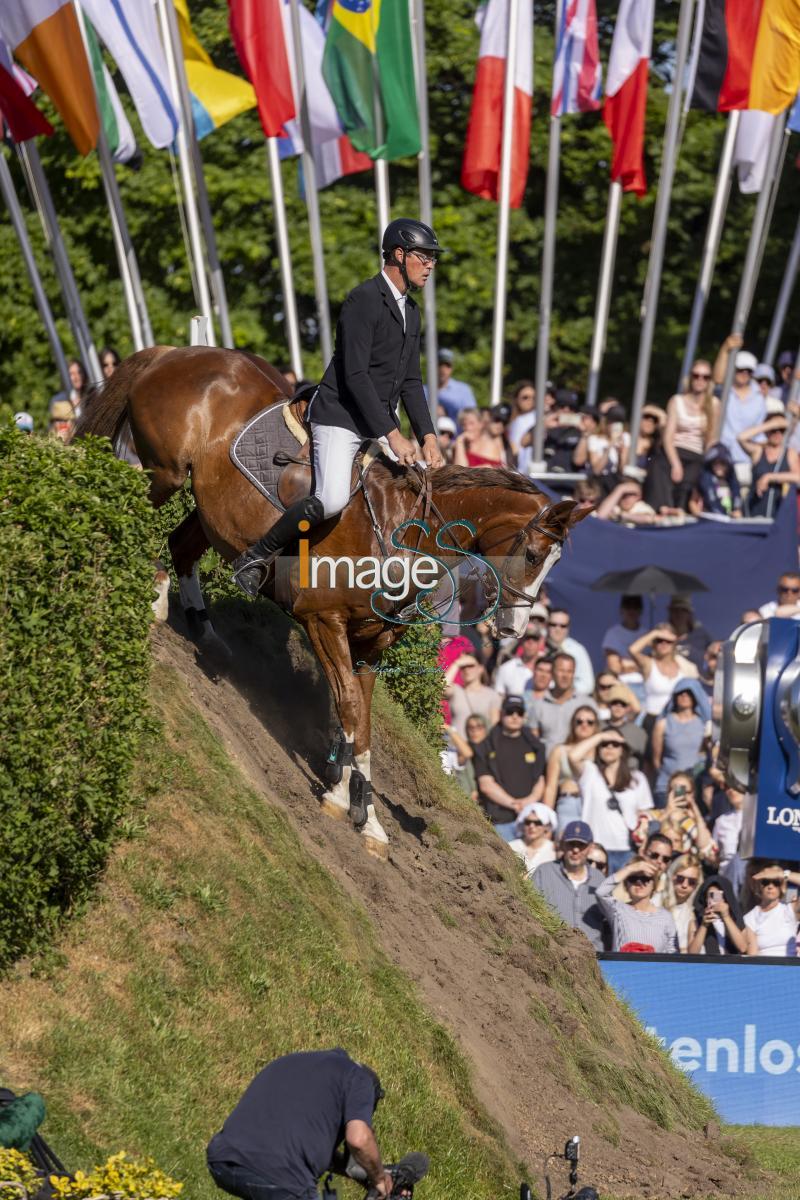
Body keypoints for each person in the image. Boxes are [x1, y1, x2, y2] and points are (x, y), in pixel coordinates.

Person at [232, 218, 444, 595]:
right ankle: (256, 556)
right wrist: (394, 434)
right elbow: (356, 376)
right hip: (341, 417)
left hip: (376, 421)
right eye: (424, 257)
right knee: (330, 499)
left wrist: (427, 435)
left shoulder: (411, 311)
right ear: (399, 254)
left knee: (416, 492)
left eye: (432, 258)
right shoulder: (363, 299)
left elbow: (411, 380)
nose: (430, 265)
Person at [207, 1048, 390, 1200]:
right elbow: (359, 1139)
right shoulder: (360, 1079)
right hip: (281, 1178)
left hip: (223, 1158)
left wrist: (366, 1170)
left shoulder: (299, 1062)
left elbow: (297, 1147)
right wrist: (379, 1179)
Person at [567, 728, 653, 873]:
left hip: (627, 850)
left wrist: (643, 836)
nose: (609, 748)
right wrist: (600, 736)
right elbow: (572, 756)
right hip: (595, 849)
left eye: (615, 744)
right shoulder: (590, 773)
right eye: (605, 744)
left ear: (623, 749)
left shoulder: (637, 778)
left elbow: (645, 813)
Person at [644, 361, 720, 512]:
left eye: (705, 377)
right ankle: (662, 509)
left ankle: (681, 510)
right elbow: (668, 437)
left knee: (692, 479)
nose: (700, 380)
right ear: (690, 378)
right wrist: (676, 463)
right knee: (659, 467)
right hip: (675, 450)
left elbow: (711, 439)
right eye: (696, 375)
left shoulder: (714, 404)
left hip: (696, 454)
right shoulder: (676, 401)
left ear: (709, 381)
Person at [473, 695, 546, 841]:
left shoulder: (535, 745)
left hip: (532, 822)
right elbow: (486, 785)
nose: (514, 716)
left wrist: (528, 802)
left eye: (519, 712)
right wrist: (514, 804)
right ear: (501, 713)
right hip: (501, 822)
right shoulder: (486, 745)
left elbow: (541, 779)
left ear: (524, 715)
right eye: (510, 711)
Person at [531, 820, 609, 951]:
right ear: (562, 845)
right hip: (556, 954)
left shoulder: (599, 879)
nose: (576, 850)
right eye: (571, 844)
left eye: (581, 845)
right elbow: (531, 913)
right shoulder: (544, 872)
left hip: (593, 955)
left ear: (590, 847)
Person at [596, 860, 679, 953]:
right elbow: (600, 892)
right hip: (622, 967)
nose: (639, 883)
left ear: (653, 884)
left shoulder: (666, 917)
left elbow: (673, 952)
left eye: (645, 879)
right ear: (626, 884)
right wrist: (630, 868)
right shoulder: (617, 910)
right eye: (633, 878)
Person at [714, 336, 767, 481]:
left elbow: (760, 433)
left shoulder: (760, 399)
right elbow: (718, 378)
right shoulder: (725, 392)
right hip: (721, 459)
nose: (744, 374)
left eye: (749, 371)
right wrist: (725, 350)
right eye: (740, 370)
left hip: (745, 462)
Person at [628, 624, 698, 729]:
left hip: (677, 721)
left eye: (668, 641)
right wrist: (655, 633)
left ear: (674, 643)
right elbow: (632, 650)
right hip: (652, 719)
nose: (664, 643)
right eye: (659, 640)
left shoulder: (684, 666)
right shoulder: (649, 664)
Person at [526, 652, 596, 756]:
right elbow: (532, 741)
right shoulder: (539, 705)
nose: (565, 676)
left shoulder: (588, 703)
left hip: (578, 765)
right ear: (553, 673)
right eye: (561, 671)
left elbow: (596, 737)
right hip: (546, 766)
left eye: (569, 671)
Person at [651, 682, 709, 802]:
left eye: (688, 693)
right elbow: (656, 759)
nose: (684, 696)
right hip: (668, 785)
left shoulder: (703, 724)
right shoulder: (663, 724)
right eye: (680, 693)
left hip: (693, 786)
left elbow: (706, 752)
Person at [543, 705, 601, 820]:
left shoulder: (602, 750)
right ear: (573, 724)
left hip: (596, 805)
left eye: (590, 722)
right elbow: (551, 787)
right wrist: (546, 818)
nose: (584, 725)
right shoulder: (560, 750)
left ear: (596, 726)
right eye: (579, 721)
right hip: (569, 802)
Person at [738, 413, 800, 518]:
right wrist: (771, 424)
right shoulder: (758, 451)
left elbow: (798, 477)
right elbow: (741, 437)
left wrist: (769, 477)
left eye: (782, 430)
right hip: (752, 510)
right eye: (774, 430)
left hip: (776, 513)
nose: (777, 434)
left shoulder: (789, 453)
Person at [743, 866, 800, 957]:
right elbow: (752, 955)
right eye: (765, 882)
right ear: (759, 886)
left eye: (775, 882)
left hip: (791, 967)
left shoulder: (789, 908)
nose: (770, 886)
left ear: (781, 886)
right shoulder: (750, 917)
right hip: (765, 967)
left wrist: (781, 874)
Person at [443, 653, 500, 738]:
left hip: (481, 748)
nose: (466, 670)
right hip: (456, 747)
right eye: (463, 667)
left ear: (480, 668)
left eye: (470, 665)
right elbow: (441, 689)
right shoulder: (456, 690)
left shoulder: (492, 695)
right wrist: (456, 664)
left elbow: (494, 726)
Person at [688, 875, 747, 955]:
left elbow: (743, 948)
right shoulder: (695, 923)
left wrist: (726, 916)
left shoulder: (735, 920)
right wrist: (704, 925)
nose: (714, 900)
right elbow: (692, 953)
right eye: (711, 896)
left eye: (718, 896)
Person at [544, 609, 594, 695]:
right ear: (547, 625)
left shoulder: (577, 650)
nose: (557, 629)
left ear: (568, 628)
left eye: (563, 626)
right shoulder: (536, 644)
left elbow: (587, 684)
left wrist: (564, 693)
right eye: (553, 625)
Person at [602, 684, 647, 771]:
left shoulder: (638, 732)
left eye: (623, 704)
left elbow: (644, 760)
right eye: (614, 703)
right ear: (608, 705)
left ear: (628, 708)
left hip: (629, 774)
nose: (618, 707)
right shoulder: (598, 726)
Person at [663, 854, 702, 952]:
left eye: (691, 882)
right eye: (680, 879)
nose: (684, 885)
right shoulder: (656, 901)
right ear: (672, 876)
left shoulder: (698, 911)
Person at [508, 801, 557, 875]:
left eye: (537, 823)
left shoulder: (554, 850)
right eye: (528, 822)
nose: (531, 826)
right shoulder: (511, 847)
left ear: (546, 826)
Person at [695, 442, 742, 518]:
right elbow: (693, 501)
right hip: (711, 519)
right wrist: (698, 513)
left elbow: (737, 500)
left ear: (728, 465)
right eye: (715, 463)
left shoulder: (731, 482)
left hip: (729, 520)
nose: (719, 466)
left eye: (723, 463)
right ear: (711, 464)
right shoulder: (704, 481)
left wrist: (737, 510)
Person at [602, 596, 643, 677]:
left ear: (641, 610)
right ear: (621, 609)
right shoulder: (612, 634)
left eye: (635, 606)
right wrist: (638, 665)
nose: (631, 610)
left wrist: (627, 664)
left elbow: (651, 665)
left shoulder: (647, 634)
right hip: (619, 683)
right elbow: (614, 667)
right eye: (628, 606)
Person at [667, 596, 711, 672]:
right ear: (670, 613)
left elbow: (713, 656)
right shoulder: (663, 638)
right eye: (675, 610)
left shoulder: (702, 636)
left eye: (683, 610)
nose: (679, 614)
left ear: (689, 614)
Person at [493, 632, 544, 697]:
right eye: (527, 639)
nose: (530, 643)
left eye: (535, 639)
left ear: (540, 643)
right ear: (521, 642)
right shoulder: (506, 668)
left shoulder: (549, 668)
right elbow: (498, 695)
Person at [436, 348, 476, 423]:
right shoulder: (423, 390)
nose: (443, 369)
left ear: (452, 368)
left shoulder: (464, 390)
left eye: (447, 366)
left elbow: (471, 419)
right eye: (440, 365)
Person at [507, 380, 536, 473]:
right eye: (525, 397)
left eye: (533, 397)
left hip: (530, 471)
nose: (530, 400)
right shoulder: (510, 420)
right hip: (516, 470)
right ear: (516, 399)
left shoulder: (539, 417)